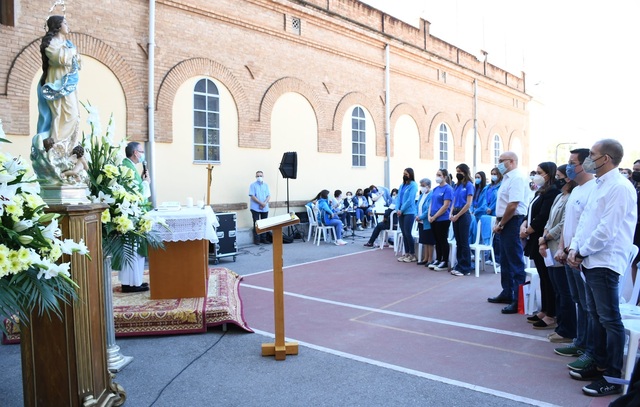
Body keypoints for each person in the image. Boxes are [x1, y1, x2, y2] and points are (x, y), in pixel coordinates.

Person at [566, 139, 637, 397]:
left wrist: (582, 251)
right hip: (590, 259)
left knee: (609, 319)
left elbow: (607, 230)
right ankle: (598, 363)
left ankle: (613, 376)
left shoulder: (619, 187)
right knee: (595, 315)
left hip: (605, 261)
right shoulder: (599, 184)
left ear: (605, 158)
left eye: (592, 155)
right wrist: (575, 249)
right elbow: (586, 220)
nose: (588, 160)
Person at [551, 149, 597, 371]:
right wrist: (561, 246)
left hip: (580, 256)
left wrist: (576, 251)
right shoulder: (577, 190)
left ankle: (589, 347)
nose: (568, 167)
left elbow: (587, 226)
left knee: (589, 306)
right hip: (568, 252)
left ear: (585, 164)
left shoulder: (593, 189)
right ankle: (580, 341)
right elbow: (569, 224)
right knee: (578, 300)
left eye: (572, 163)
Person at [536, 164, 575, 343]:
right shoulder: (560, 196)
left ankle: (567, 329)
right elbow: (550, 220)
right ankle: (561, 326)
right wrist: (544, 237)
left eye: (561, 177)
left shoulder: (571, 198)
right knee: (557, 289)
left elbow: (564, 224)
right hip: (549, 246)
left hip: (558, 247)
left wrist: (546, 237)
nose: (558, 180)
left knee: (563, 291)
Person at [520, 161, 561, 327]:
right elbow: (530, 212)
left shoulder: (552, 192)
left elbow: (543, 217)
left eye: (539, 172)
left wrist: (528, 230)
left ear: (548, 174)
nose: (536, 175)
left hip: (542, 239)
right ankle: (545, 309)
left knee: (547, 277)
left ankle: (551, 312)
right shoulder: (541, 191)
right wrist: (524, 224)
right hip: (534, 238)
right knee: (543, 277)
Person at [488, 152, 528, 314]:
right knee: (505, 259)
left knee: (514, 260)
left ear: (511, 161)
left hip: (512, 221)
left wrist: (502, 223)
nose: (499, 164)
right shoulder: (506, 178)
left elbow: (513, 205)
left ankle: (517, 299)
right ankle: (507, 291)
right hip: (505, 221)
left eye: (501, 161)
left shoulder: (517, 177)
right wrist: (498, 222)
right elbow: (504, 204)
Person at [119, 142, 150, 293]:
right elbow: (136, 193)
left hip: (133, 215)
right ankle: (129, 284)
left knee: (135, 250)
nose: (143, 154)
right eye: (142, 151)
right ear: (135, 153)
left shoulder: (129, 166)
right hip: (131, 216)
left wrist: (143, 181)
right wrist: (146, 182)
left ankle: (135, 281)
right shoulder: (127, 167)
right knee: (131, 250)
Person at [450, 164, 475, 276]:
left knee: (464, 242)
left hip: (463, 214)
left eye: (460, 171)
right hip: (455, 213)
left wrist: (458, 215)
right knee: (458, 241)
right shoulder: (457, 185)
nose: (458, 173)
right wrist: (451, 213)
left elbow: (468, 203)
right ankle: (459, 264)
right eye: (457, 171)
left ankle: (466, 267)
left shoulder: (469, 185)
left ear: (465, 172)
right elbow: (453, 200)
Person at [427, 169, 453, 271]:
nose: (437, 177)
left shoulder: (448, 189)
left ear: (445, 177)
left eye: (439, 175)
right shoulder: (435, 189)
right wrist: (429, 215)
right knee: (437, 240)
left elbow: (446, 205)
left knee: (442, 239)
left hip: (443, 219)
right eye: (436, 174)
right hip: (433, 218)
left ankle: (444, 261)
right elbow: (431, 203)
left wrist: (435, 216)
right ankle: (438, 258)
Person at [396, 168, 418, 262]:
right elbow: (398, 198)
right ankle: (407, 253)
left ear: (411, 175)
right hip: (401, 212)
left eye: (407, 174)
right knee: (404, 233)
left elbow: (410, 199)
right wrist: (397, 209)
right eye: (404, 173)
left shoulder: (413, 185)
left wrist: (402, 209)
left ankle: (412, 254)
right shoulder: (402, 185)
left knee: (408, 232)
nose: (405, 175)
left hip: (409, 212)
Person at [485, 167, 503, 267]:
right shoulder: (488, 187)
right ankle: (491, 257)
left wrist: (491, 208)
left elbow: (498, 201)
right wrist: (486, 208)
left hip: (496, 213)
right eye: (492, 173)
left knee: (497, 237)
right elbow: (484, 199)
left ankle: (497, 259)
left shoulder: (501, 186)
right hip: (487, 213)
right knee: (490, 237)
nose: (493, 175)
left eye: (495, 174)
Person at [415, 178, 435, 265]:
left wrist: (421, 217)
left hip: (426, 221)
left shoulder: (431, 195)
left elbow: (428, 209)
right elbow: (417, 205)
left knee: (429, 241)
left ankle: (430, 259)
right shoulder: (421, 195)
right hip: (420, 221)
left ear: (428, 186)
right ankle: (425, 258)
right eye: (421, 185)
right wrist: (416, 215)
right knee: (424, 240)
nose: (422, 187)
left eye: (423, 186)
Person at [249, 170, 270, 245]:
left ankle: (264, 238)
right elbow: (252, 196)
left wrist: (264, 203)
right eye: (257, 176)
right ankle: (257, 239)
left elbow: (268, 195)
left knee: (264, 223)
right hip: (255, 208)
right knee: (256, 223)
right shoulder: (253, 185)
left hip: (265, 207)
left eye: (260, 176)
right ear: (255, 177)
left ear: (263, 176)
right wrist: (260, 203)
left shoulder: (266, 185)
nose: (259, 177)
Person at [469, 171, 488, 245]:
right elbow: (471, 201)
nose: (477, 179)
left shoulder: (485, 189)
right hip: (473, 214)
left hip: (480, 214)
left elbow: (484, 204)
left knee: (480, 234)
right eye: (476, 177)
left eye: (478, 177)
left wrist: (476, 211)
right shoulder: (474, 189)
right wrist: (471, 210)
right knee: (472, 232)